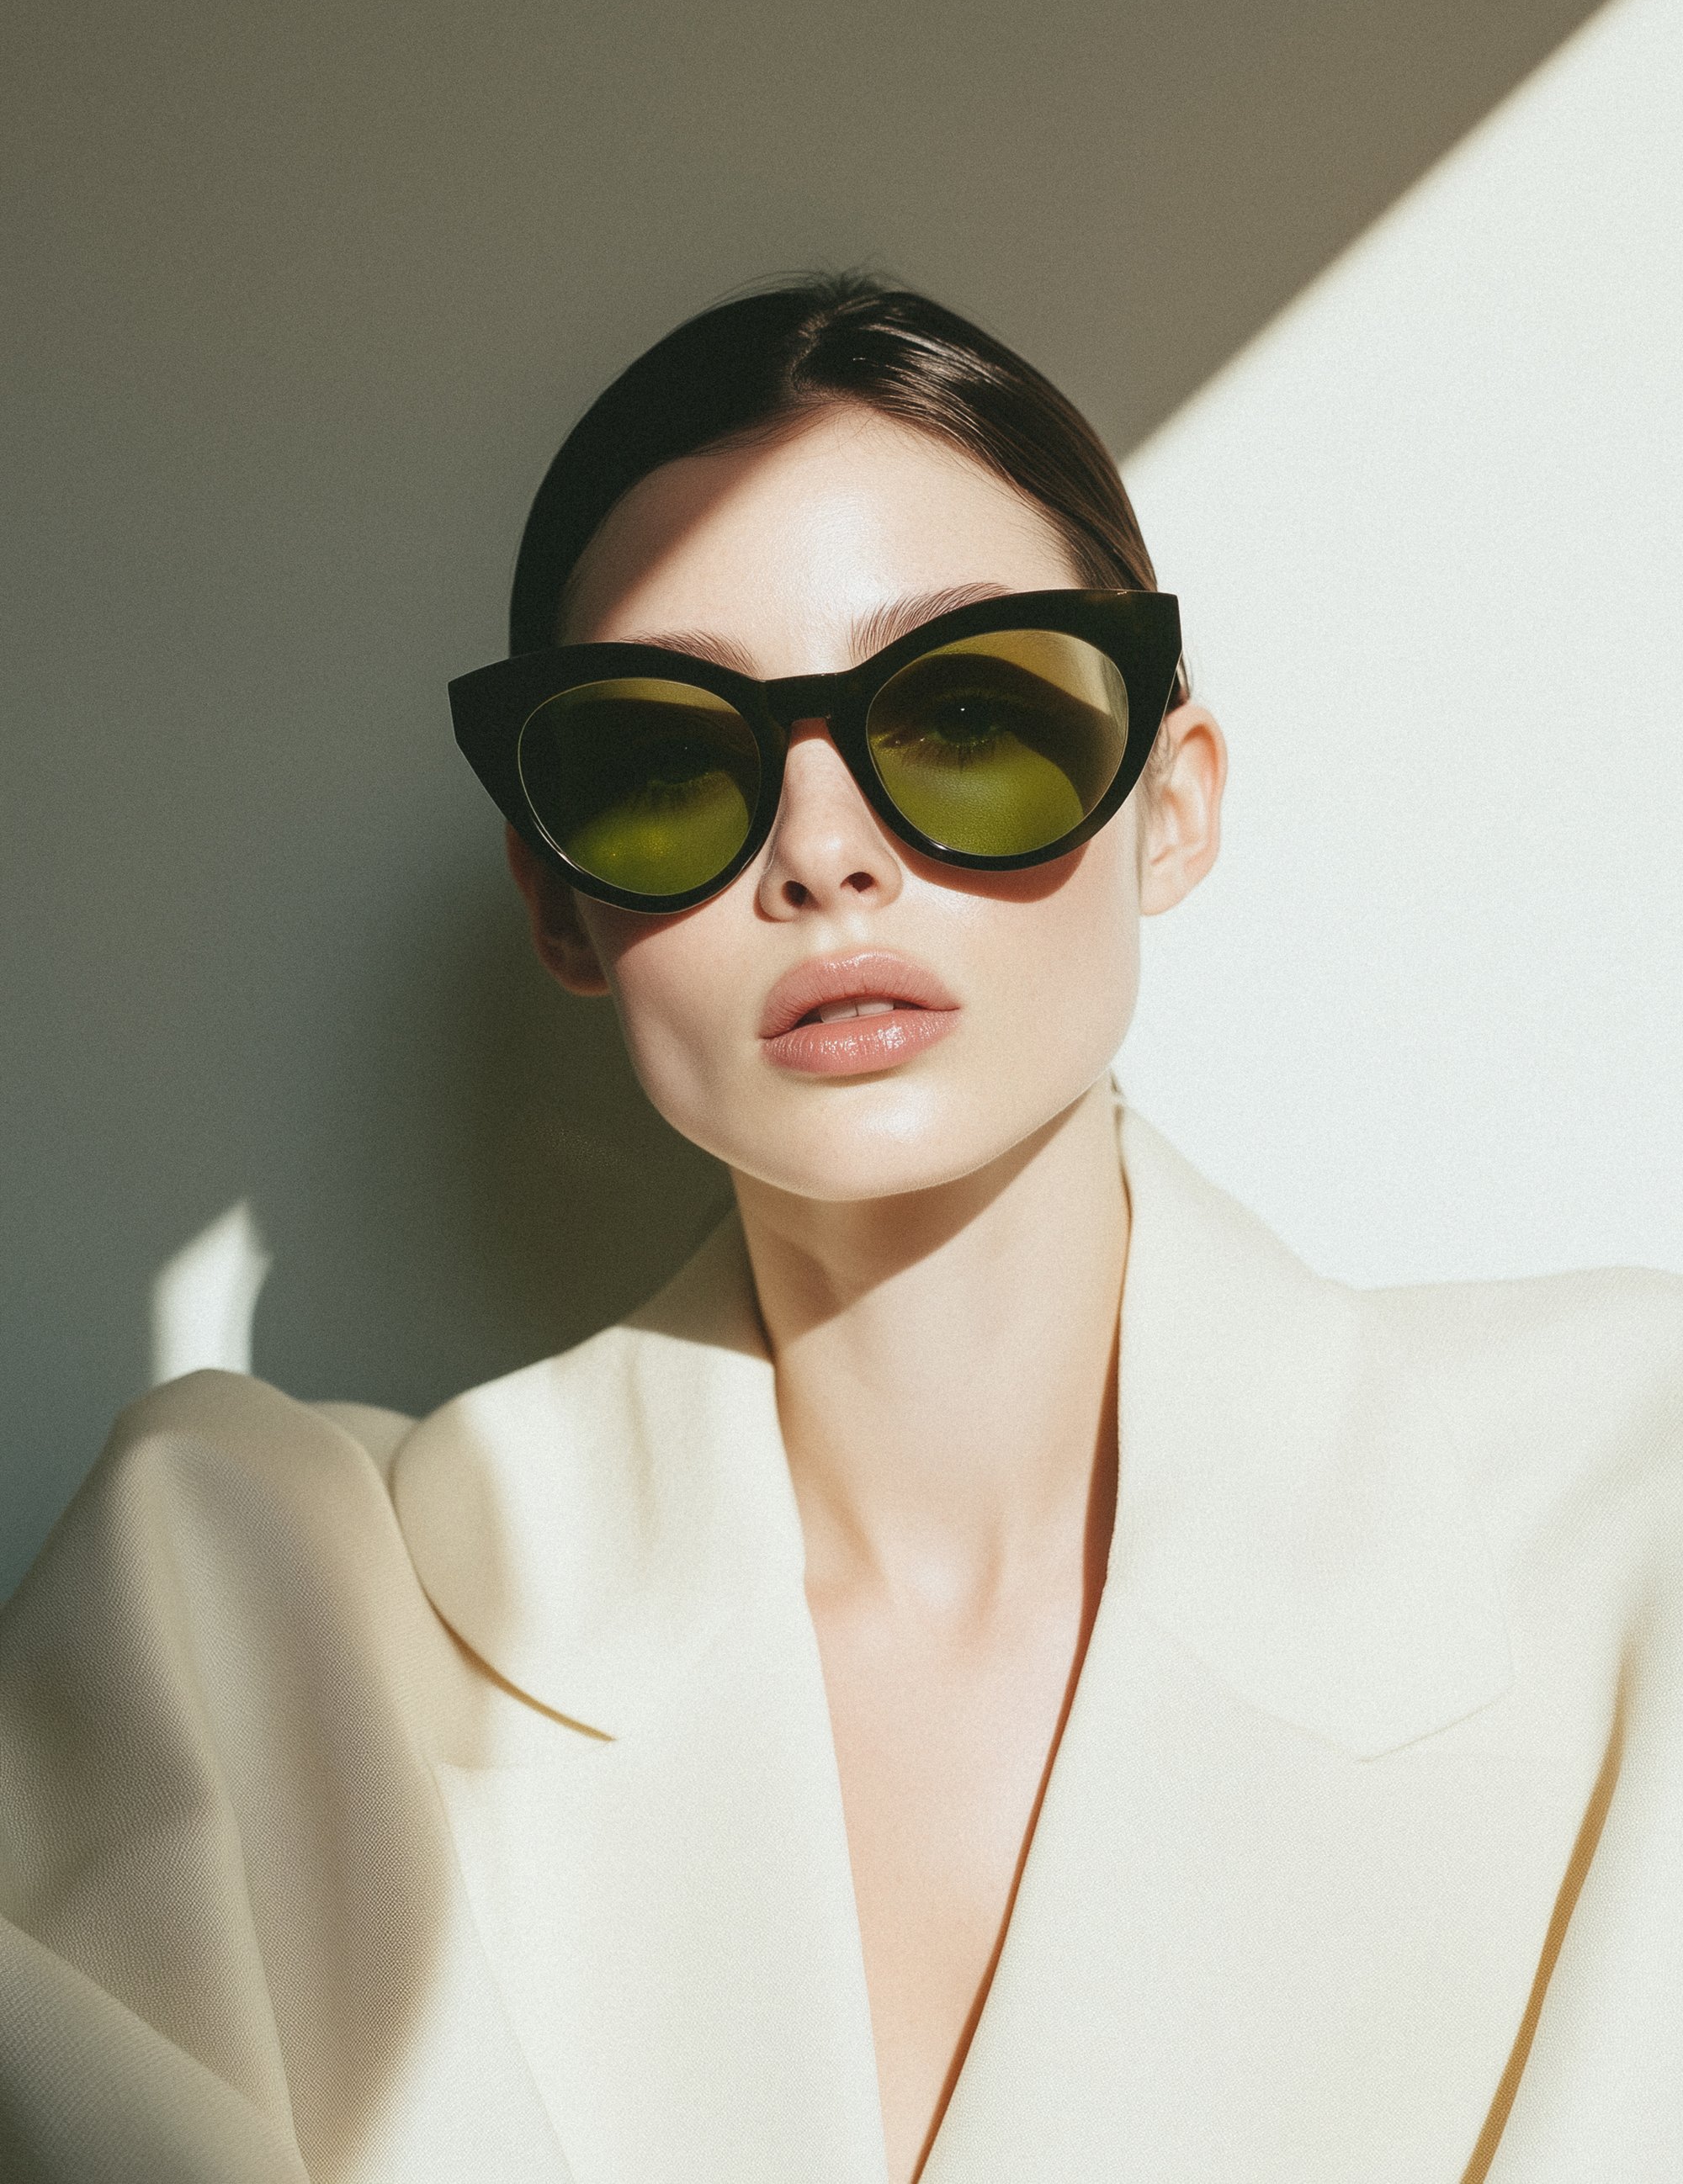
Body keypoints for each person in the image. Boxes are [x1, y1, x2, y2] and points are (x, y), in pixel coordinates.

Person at [2, 274, 1680, 2184]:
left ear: (1172, 802)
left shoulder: (1629, 1516)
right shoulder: (251, 1617)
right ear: (559, 910)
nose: (823, 848)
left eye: (964, 712)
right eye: (661, 764)